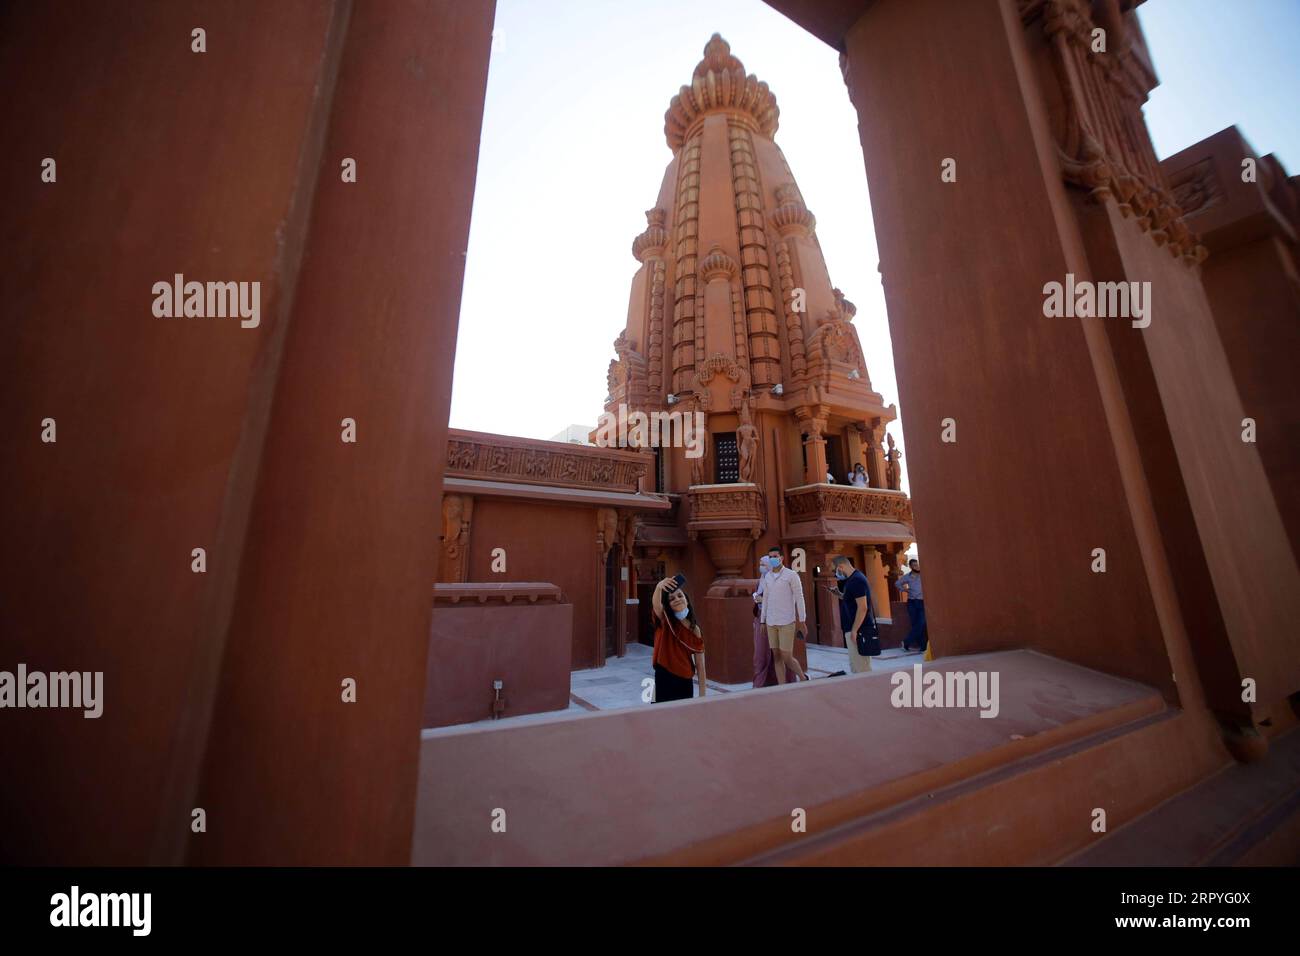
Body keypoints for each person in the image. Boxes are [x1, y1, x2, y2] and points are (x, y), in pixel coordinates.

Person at [649, 575, 707, 702]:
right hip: (664, 676)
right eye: (671, 598)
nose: (677, 599)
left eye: (680, 596)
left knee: (683, 717)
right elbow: (656, 605)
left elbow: (700, 664)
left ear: (687, 600)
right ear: (668, 605)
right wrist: (659, 587)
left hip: (685, 678)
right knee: (662, 716)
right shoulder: (665, 620)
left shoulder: (694, 629)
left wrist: (703, 696)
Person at [760, 546, 809, 683]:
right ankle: (782, 687)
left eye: (775, 556)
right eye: (770, 557)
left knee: (786, 656)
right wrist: (762, 620)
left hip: (787, 621)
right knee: (776, 656)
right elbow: (765, 599)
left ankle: (803, 677)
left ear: (781, 558)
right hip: (771, 622)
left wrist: (802, 620)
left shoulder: (791, 575)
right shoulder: (768, 577)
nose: (773, 559)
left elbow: (800, 598)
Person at [831, 555, 879, 673]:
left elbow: (862, 608)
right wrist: (840, 595)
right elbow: (854, 600)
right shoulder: (852, 580)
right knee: (856, 666)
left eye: (834, 570)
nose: (835, 573)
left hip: (859, 630)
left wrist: (854, 630)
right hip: (854, 628)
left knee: (861, 669)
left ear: (840, 567)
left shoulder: (856, 580)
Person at [896, 558, 927, 653]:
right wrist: (904, 590)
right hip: (912, 603)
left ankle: (906, 642)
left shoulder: (923, 575)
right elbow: (897, 583)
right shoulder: (907, 577)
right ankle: (923, 647)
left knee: (921, 623)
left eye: (917, 565)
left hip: (921, 602)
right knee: (915, 624)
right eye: (914, 565)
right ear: (910, 567)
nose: (917, 567)